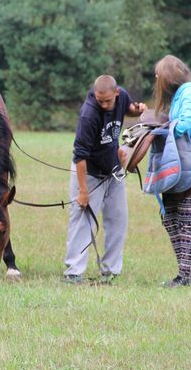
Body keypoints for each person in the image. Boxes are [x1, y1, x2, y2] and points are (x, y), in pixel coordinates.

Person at [63, 75, 146, 284]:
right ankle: (74, 272)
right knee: (83, 220)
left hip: (113, 168)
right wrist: (83, 192)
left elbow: (128, 109)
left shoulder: (122, 97)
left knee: (118, 218)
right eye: (100, 101)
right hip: (88, 172)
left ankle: (111, 271)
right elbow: (79, 156)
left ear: (116, 93)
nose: (104, 105)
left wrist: (138, 110)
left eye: (108, 101)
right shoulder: (89, 115)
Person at [152, 55, 191, 287]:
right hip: (179, 165)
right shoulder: (180, 95)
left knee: (185, 220)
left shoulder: (188, 93)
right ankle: (183, 272)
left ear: (167, 77)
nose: (156, 79)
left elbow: (184, 124)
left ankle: (185, 276)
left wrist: (162, 130)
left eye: (158, 75)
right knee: (170, 218)